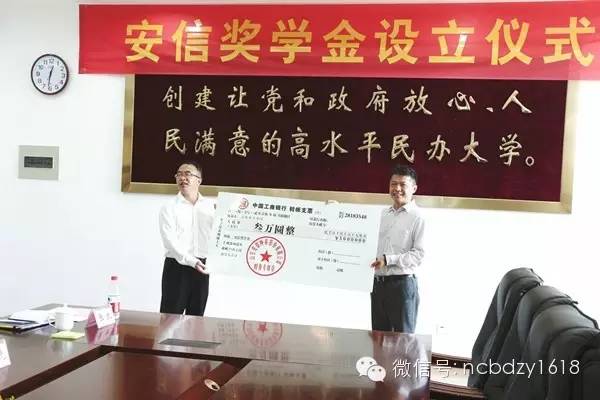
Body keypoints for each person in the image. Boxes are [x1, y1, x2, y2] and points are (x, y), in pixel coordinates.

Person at [370, 165, 425, 333]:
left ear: (414, 188)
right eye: (393, 184)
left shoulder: (419, 217)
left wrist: (388, 260)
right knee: (378, 338)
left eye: (403, 184)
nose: (397, 189)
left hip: (402, 286)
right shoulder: (382, 214)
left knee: (403, 340)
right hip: (378, 285)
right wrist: (336, 212)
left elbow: (418, 254)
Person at [159, 161, 214, 316]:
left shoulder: (211, 207)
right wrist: (191, 261)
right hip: (176, 267)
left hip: (202, 267)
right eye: (179, 174)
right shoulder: (169, 207)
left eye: (188, 174)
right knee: (170, 318)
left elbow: (219, 237)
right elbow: (169, 241)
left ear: (199, 180)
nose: (183, 178)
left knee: (197, 318)